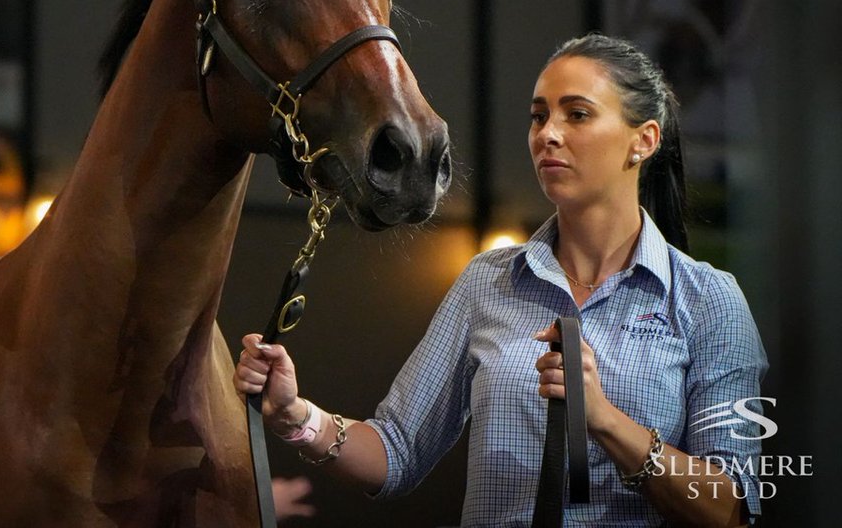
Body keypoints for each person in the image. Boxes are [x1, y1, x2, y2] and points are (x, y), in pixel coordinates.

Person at [235, 33, 767, 527]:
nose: (548, 134)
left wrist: (604, 420)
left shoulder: (707, 299)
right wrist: (296, 416)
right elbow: (397, 450)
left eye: (577, 114)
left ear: (643, 141)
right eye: (539, 117)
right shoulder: (488, 281)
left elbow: (733, 507)